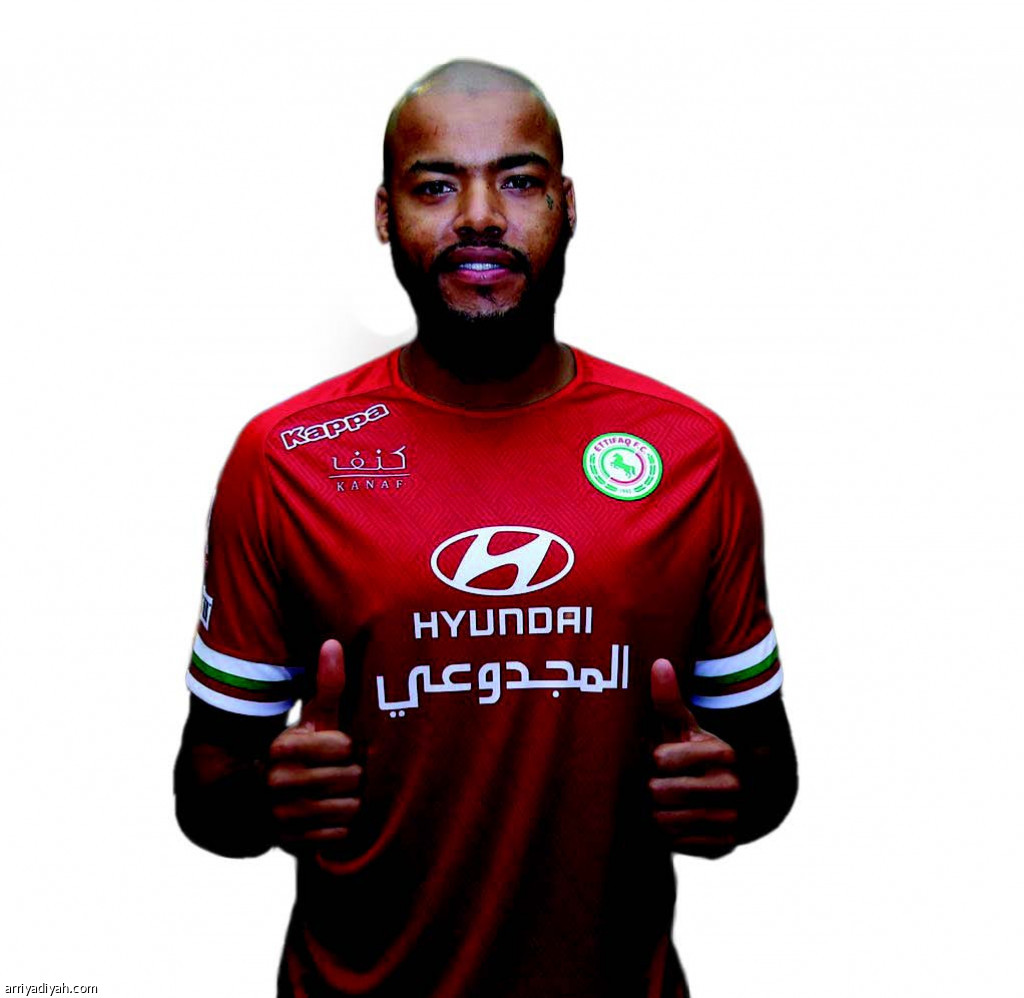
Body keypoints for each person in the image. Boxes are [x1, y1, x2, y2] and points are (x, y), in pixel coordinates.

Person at [174, 59, 798, 998]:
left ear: (567, 206)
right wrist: (266, 796)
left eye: (518, 180)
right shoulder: (285, 458)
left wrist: (731, 800)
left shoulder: (689, 453)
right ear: (384, 214)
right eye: (435, 186)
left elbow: (769, 773)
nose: (477, 216)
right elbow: (205, 795)